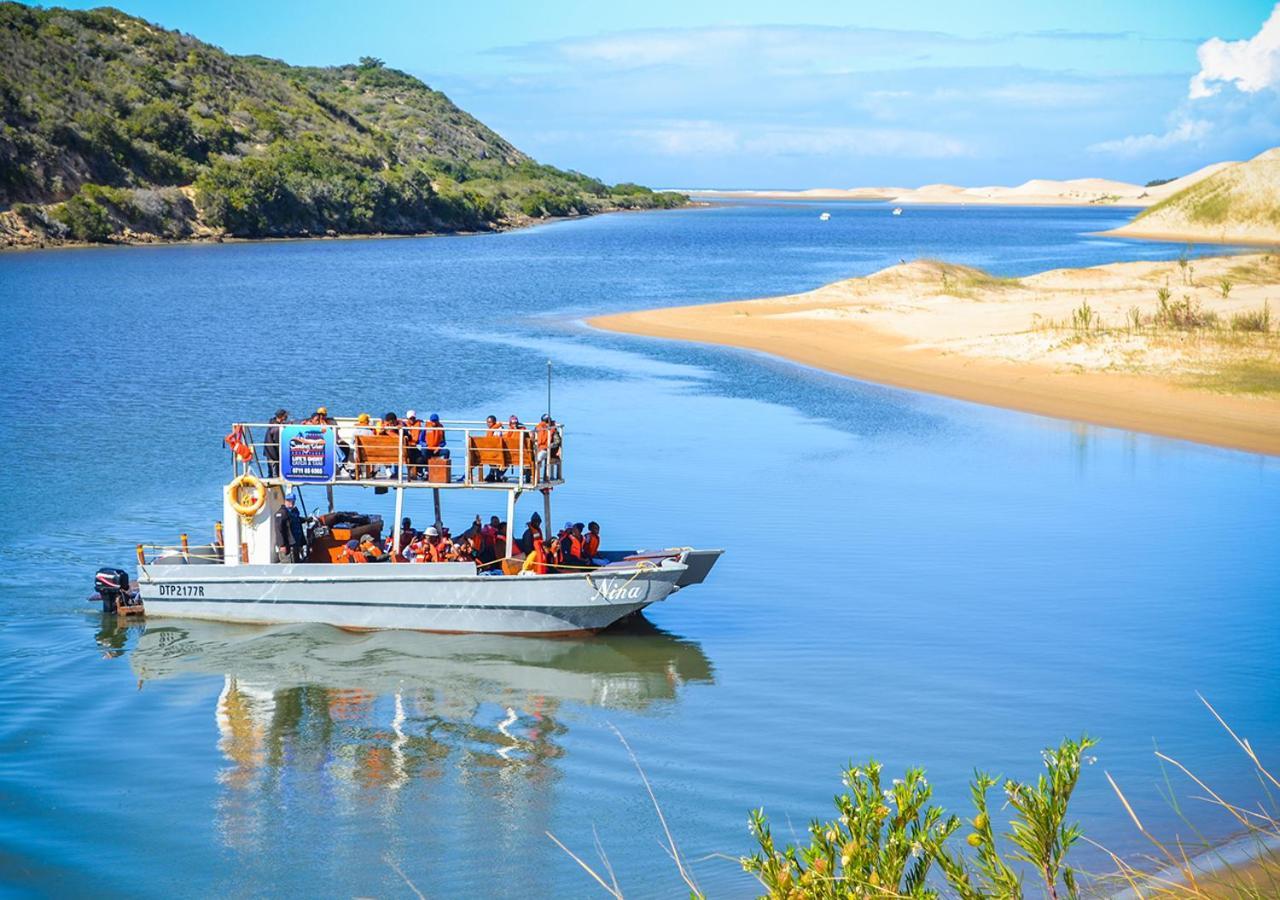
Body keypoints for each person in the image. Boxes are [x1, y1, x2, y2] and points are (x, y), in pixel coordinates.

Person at [273, 493, 306, 563]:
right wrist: (282, 545)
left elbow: (297, 520)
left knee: (296, 563)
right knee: (287, 564)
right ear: (285, 501)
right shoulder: (281, 513)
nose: (291, 503)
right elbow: (279, 530)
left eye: (292, 501)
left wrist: (307, 519)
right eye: (288, 501)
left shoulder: (293, 513)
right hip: (288, 545)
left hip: (295, 544)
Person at [263, 408, 289, 478]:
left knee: (271, 471)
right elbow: (277, 441)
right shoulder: (277, 429)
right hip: (272, 452)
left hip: (269, 451)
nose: (287, 417)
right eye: (285, 416)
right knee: (274, 474)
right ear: (282, 417)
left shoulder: (273, 423)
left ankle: (271, 479)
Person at [534, 415, 553, 483]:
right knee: (532, 459)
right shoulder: (537, 427)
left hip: (545, 449)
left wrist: (551, 445)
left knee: (537, 460)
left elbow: (557, 441)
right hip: (537, 448)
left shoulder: (552, 428)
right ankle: (531, 476)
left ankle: (537, 478)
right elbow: (532, 436)